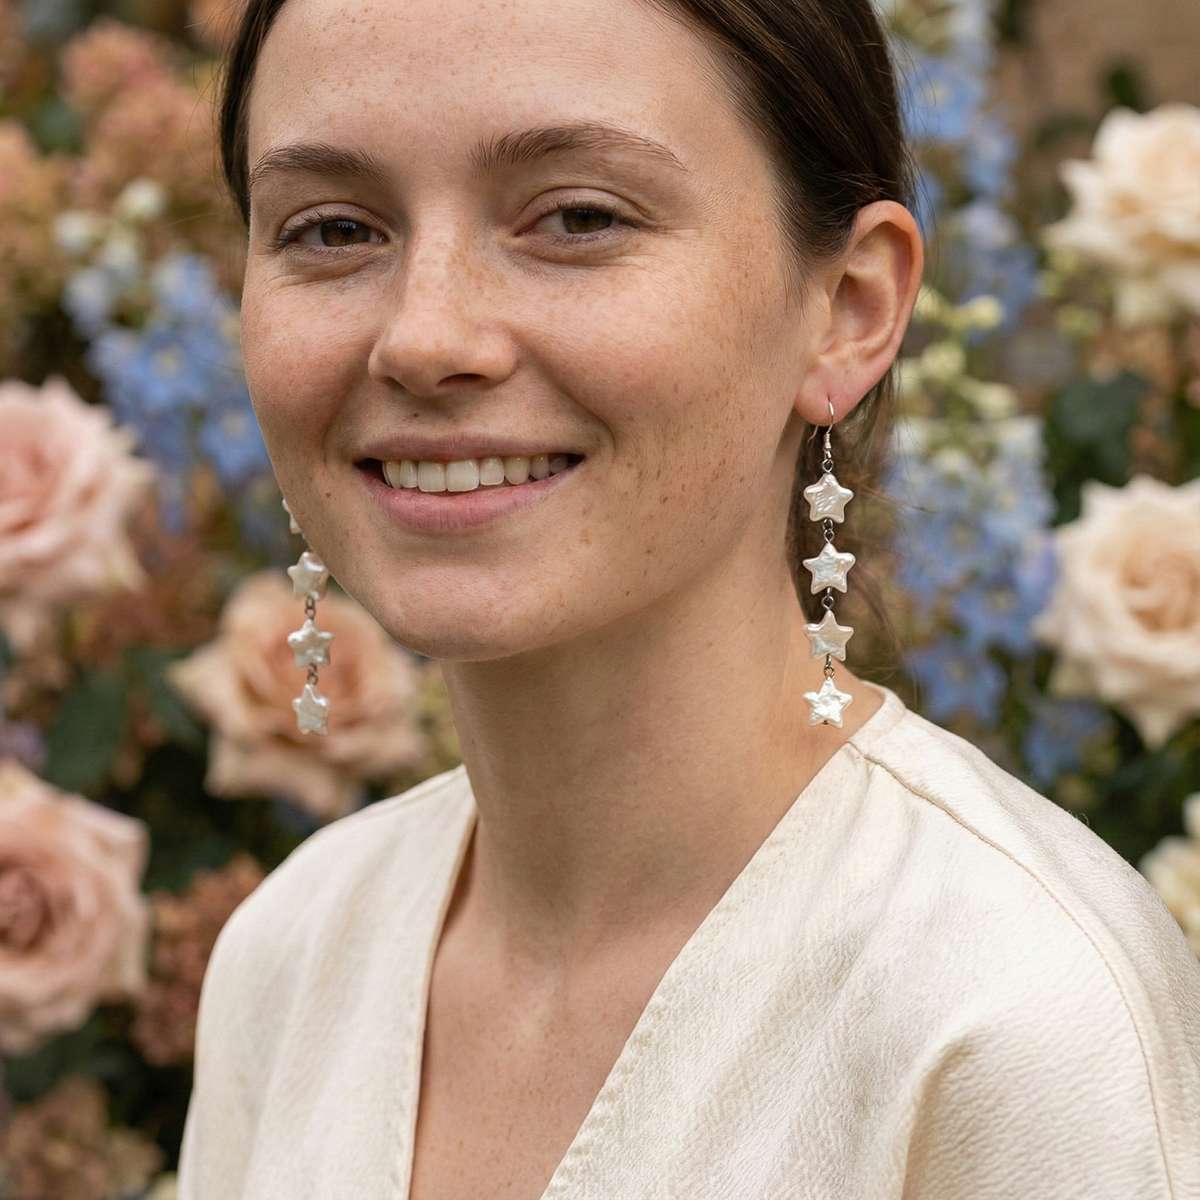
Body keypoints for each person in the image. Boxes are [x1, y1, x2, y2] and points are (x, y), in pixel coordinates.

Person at [178, 0, 1200, 1194]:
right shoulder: (296, 953)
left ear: (849, 307)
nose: (423, 337)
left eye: (577, 217)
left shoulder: (1009, 1008)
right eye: (334, 228)